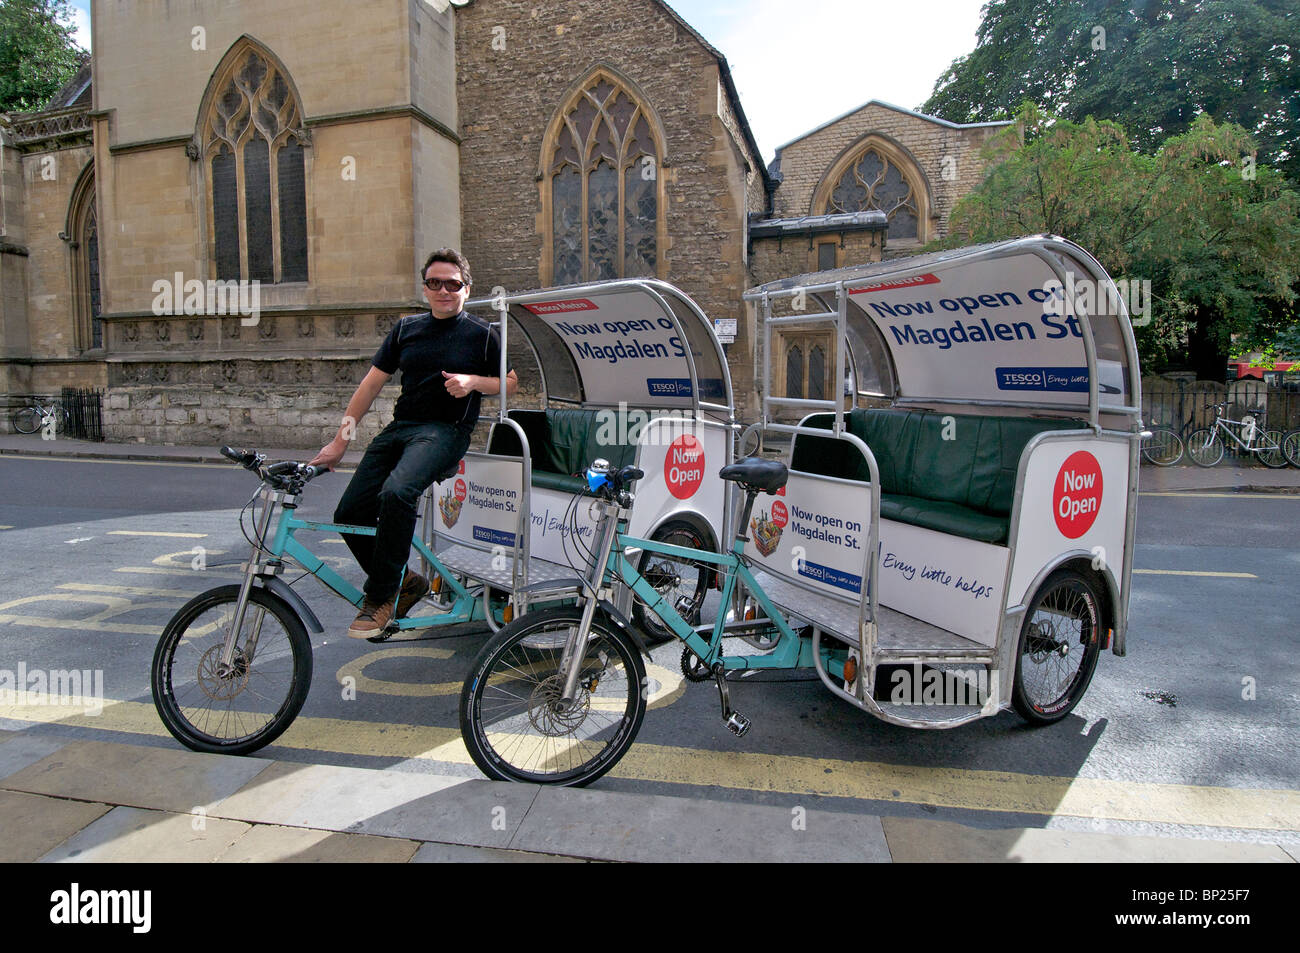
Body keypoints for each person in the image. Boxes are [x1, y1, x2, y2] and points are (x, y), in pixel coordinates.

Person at [310, 248, 517, 638]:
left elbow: (510, 383)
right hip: (402, 428)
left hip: (445, 431)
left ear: (466, 289)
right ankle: (406, 581)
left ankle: (381, 597)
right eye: (435, 283)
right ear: (425, 289)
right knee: (350, 512)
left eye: (452, 284)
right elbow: (370, 385)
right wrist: (340, 442)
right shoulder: (406, 330)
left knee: (397, 493)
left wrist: (473, 382)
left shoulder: (483, 335)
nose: (444, 290)